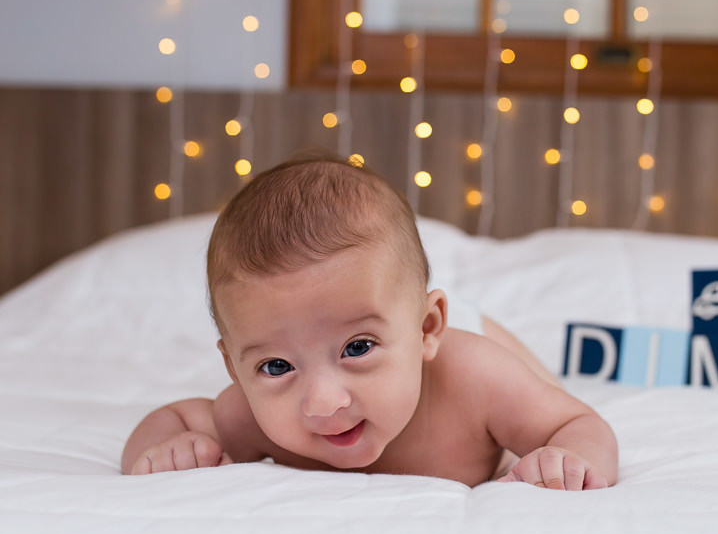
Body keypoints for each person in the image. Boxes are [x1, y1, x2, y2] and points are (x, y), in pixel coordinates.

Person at [121, 154, 617, 490]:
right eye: (276, 367)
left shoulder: (475, 378)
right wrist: (165, 449)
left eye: (357, 348)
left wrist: (569, 457)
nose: (322, 402)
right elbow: (177, 420)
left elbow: (578, 423)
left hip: (464, 342)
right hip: (401, 334)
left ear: (427, 329)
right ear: (233, 367)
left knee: (537, 386)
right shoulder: (254, 417)